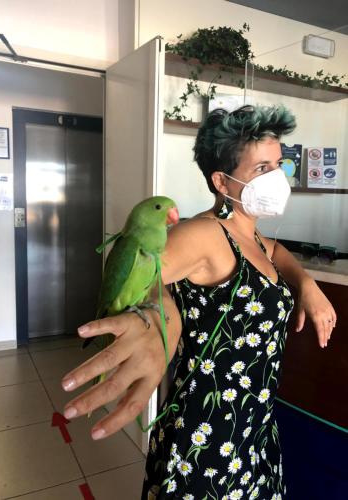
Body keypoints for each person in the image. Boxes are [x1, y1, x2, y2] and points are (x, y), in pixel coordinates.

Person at [61, 105, 336, 499]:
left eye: (279, 164)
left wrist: (305, 282)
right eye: (261, 169)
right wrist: (157, 325)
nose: (278, 177)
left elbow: (275, 253)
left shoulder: (253, 238)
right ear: (221, 182)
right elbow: (153, 278)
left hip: (255, 432)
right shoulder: (203, 234)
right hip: (208, 439)